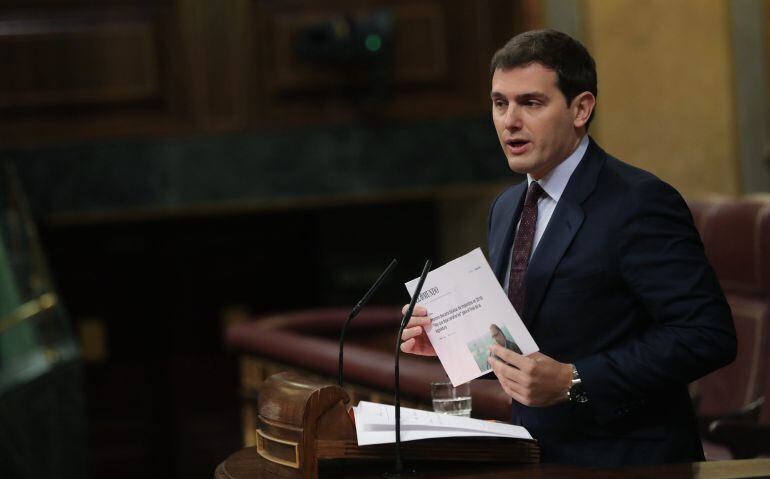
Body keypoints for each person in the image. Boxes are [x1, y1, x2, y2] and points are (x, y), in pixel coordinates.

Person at [400, 29, 736, 466]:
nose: (509, 121)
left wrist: (574, 380)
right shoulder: (506, 206)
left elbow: (707, 335)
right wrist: (450, 339)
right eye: (500, 103)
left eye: (531, 103)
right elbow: (528, 330)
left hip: (630, 461)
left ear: (581, 109)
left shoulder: (638, 201)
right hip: (539, 455)